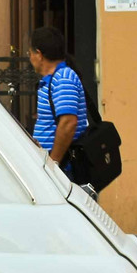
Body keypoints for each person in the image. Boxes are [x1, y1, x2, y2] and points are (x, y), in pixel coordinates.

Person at [29, 26, 89, 173]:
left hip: (62, 166)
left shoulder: (63, 78)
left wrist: (54, 163)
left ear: (39, 54)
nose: (29, 58)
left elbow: (68, 122)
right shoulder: (53, 79)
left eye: (29, 53)